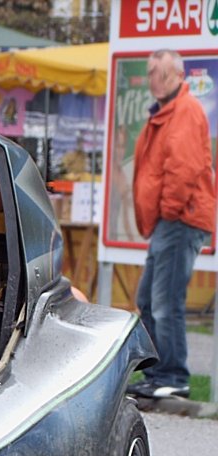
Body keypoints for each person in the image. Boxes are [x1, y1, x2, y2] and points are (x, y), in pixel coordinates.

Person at [126, 49, 216, 400]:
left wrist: (169, 210)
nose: (150, 79)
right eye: (149, 72)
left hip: (180, 220)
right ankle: (158, 375)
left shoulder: (185, 111)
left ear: (176, 75)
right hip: (171, 220)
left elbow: (184, 169)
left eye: (155, 72)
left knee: (165, 302)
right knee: (148, 299)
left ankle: (174, 376)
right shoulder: (168, 111)